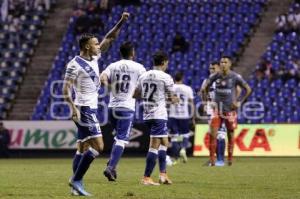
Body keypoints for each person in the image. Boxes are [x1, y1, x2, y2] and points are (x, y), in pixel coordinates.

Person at [63, 12, 129, 196]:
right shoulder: (74, 64)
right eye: (94, 44)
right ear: (86, 46)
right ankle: (76, 180)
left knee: (82, 148)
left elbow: (110, 37)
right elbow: (65, 90)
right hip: (83, 109)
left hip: (89, 108)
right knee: (98, 147)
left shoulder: (94, 58)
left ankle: (76, 185)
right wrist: (72, 107)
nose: (98, 46)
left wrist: (121, 22)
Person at [100, 41, 146, 181]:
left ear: (120, 53)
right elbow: (145, 85)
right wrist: (137, 94)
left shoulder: (113, 65)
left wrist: (109, 87)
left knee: (118, 137)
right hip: (126, 108)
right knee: (122, 139)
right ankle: (110, 167)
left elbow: (102, 78)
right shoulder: (139, 67)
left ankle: (111, 164)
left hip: (112, 108)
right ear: (132, 53)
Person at [134, 51, 179, 185]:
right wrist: (175, 99)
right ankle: (146, 177)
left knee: (164, 142)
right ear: (164, 62)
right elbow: (172, 98)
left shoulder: (144, 76)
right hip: (158, 115)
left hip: (147, 114)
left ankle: (163, 175)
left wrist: (150, 96)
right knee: (154, 146)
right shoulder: (166, 77)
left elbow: (135, 94)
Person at [201, 56, 251, 166]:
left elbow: (247, 89)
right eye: (221, 62)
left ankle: (229, 159)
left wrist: (238, 102)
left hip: (230, 111)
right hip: (217, 111)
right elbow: (203, 89)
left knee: (229, 135)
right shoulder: (215, 76)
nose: (223, 63)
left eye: (225, 62)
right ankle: (213, 161)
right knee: (213, 135)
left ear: (230, 64)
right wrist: (207, 102)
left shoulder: (235, 77)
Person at [168, 71, 195, 164]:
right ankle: (183, 149)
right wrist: (193, 116)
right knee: (185, 134)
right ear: (182, 78)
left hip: (173, 115)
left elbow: (168, 101)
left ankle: (175, 157)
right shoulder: (188, 89)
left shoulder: (171, 88)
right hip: (184, 115)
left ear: (174, 78)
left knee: (175, 136)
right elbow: (191, 103)